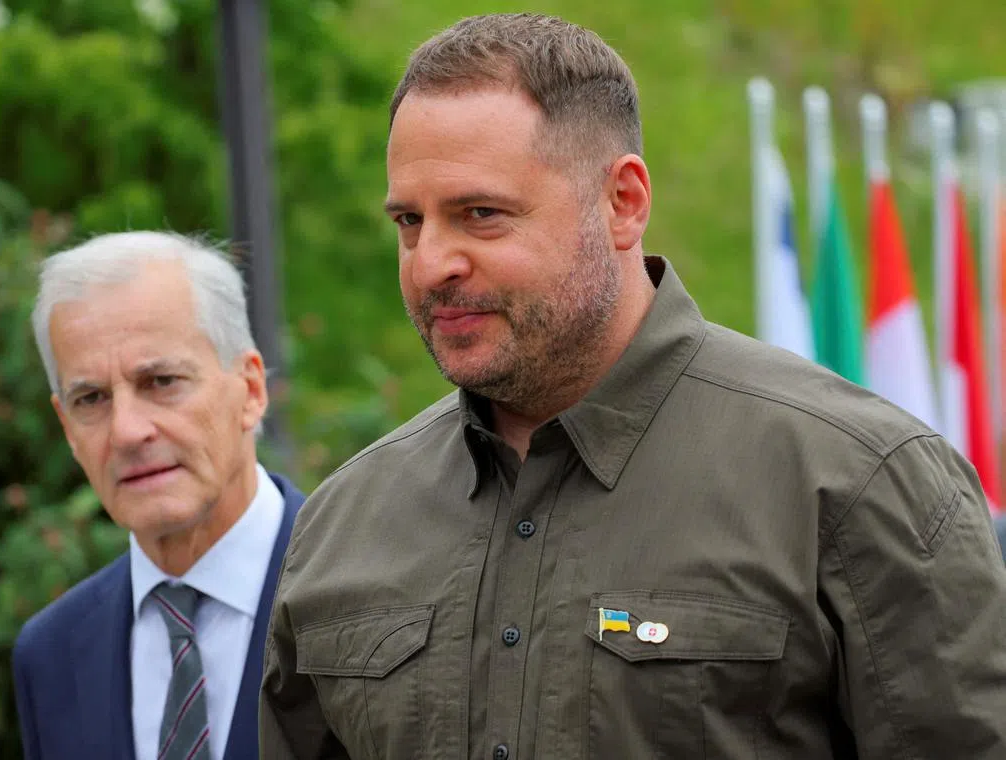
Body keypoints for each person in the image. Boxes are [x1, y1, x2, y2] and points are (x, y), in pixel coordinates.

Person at [260, 13, 1006, 759]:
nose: (430, 264)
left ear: (623, 203)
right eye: (409, 222)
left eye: (480, 215)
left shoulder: (856, 482)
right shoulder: (341, 527)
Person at [12, 232, 303, 760]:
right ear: (66, 427)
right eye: (92, 398)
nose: (126, 430)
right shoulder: (51, 656)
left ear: (251, 390)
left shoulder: (373, 595)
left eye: (162, 381)